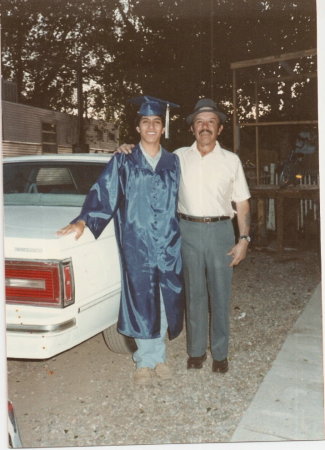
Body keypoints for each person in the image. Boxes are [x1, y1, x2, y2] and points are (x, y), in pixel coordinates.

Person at [117, 98, 251, 374]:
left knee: (221, 294)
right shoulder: (176, 157)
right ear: (192, 128)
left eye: (211, 121)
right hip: (186, 230)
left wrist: (244, 239)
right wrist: (126, 148)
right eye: (199, 122)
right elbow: (147, 161)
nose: (205, 126)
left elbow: (243, 203)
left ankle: (221, 354)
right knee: (194, 294)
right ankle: (196, 352)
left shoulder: (231, 161)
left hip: (220, 231)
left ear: (220, 128)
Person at [57, 96, 184, 385]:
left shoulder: (173, 161)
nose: (151, 126)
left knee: (165, 298)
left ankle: (159, 355)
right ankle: (144, 360)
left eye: (156, 122)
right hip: (136, 242)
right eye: (145, 122)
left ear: (162, 128)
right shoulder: (124, 159)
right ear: (137, 127)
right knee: (141, 299)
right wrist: (83, 219)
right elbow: (105, 193)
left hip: (168, 241)